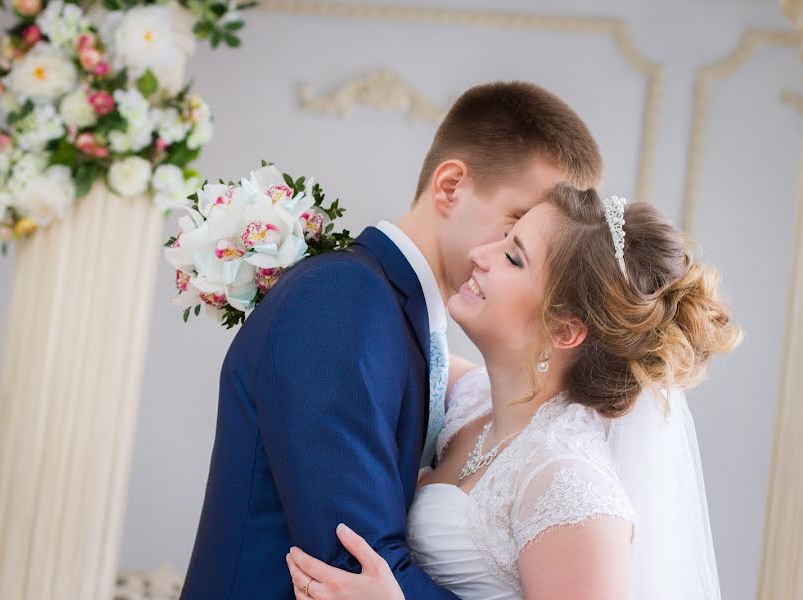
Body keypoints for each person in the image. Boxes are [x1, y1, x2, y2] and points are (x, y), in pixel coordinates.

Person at [178, 81, 603, 599]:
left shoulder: (417, 329)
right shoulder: (341, 298)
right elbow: (352, 561)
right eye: (516, 225)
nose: (509, 252)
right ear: (450, 186)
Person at [286, 185, 741, 599]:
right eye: (505, 238)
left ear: (564, 329)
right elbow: (375, 347)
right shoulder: (474, 400)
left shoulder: (573, 491)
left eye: (514, 258)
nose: (481, 253)